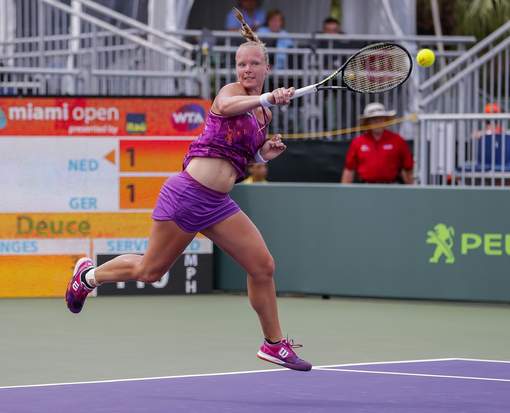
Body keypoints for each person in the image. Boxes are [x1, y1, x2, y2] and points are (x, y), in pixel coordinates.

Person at [65, 8, 311, 372]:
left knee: (262, 266)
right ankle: (87, 276)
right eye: (241, 64)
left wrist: (262, 153)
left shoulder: (264, 117)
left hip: (218, 203)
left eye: (254, 64)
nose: (246, 70)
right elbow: (225, 107)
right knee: (150, 272)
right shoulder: (233, 94)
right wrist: (266, 98)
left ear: (267, 68)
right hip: (187, 194)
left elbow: (236, 162)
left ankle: (274, 344)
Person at [341, 103, 414, 184]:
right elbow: (349, 169)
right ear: (367, 122)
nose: (377, 122)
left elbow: (407, 169)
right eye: (373, 119)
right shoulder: (358, 142)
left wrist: (413, 192)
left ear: (385, 120)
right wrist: (344, 193)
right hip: (366, 188)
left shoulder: (398, 140)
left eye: (380, 119)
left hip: (391, 188)